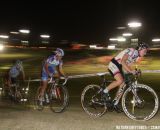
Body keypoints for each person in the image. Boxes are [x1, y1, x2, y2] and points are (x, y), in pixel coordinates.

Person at [103, 42, 148, 113]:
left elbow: (127, 65)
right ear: (140, 49)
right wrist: (131, 71)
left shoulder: (136, 57)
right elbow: (123, 61)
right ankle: (104, 91)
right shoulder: (131, 51)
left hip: (120, 67)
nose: (145, 53)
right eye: (144, 51)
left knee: (123, 84)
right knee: (120, 80)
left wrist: (134, 72)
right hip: (114, 64)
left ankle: (115, 103)